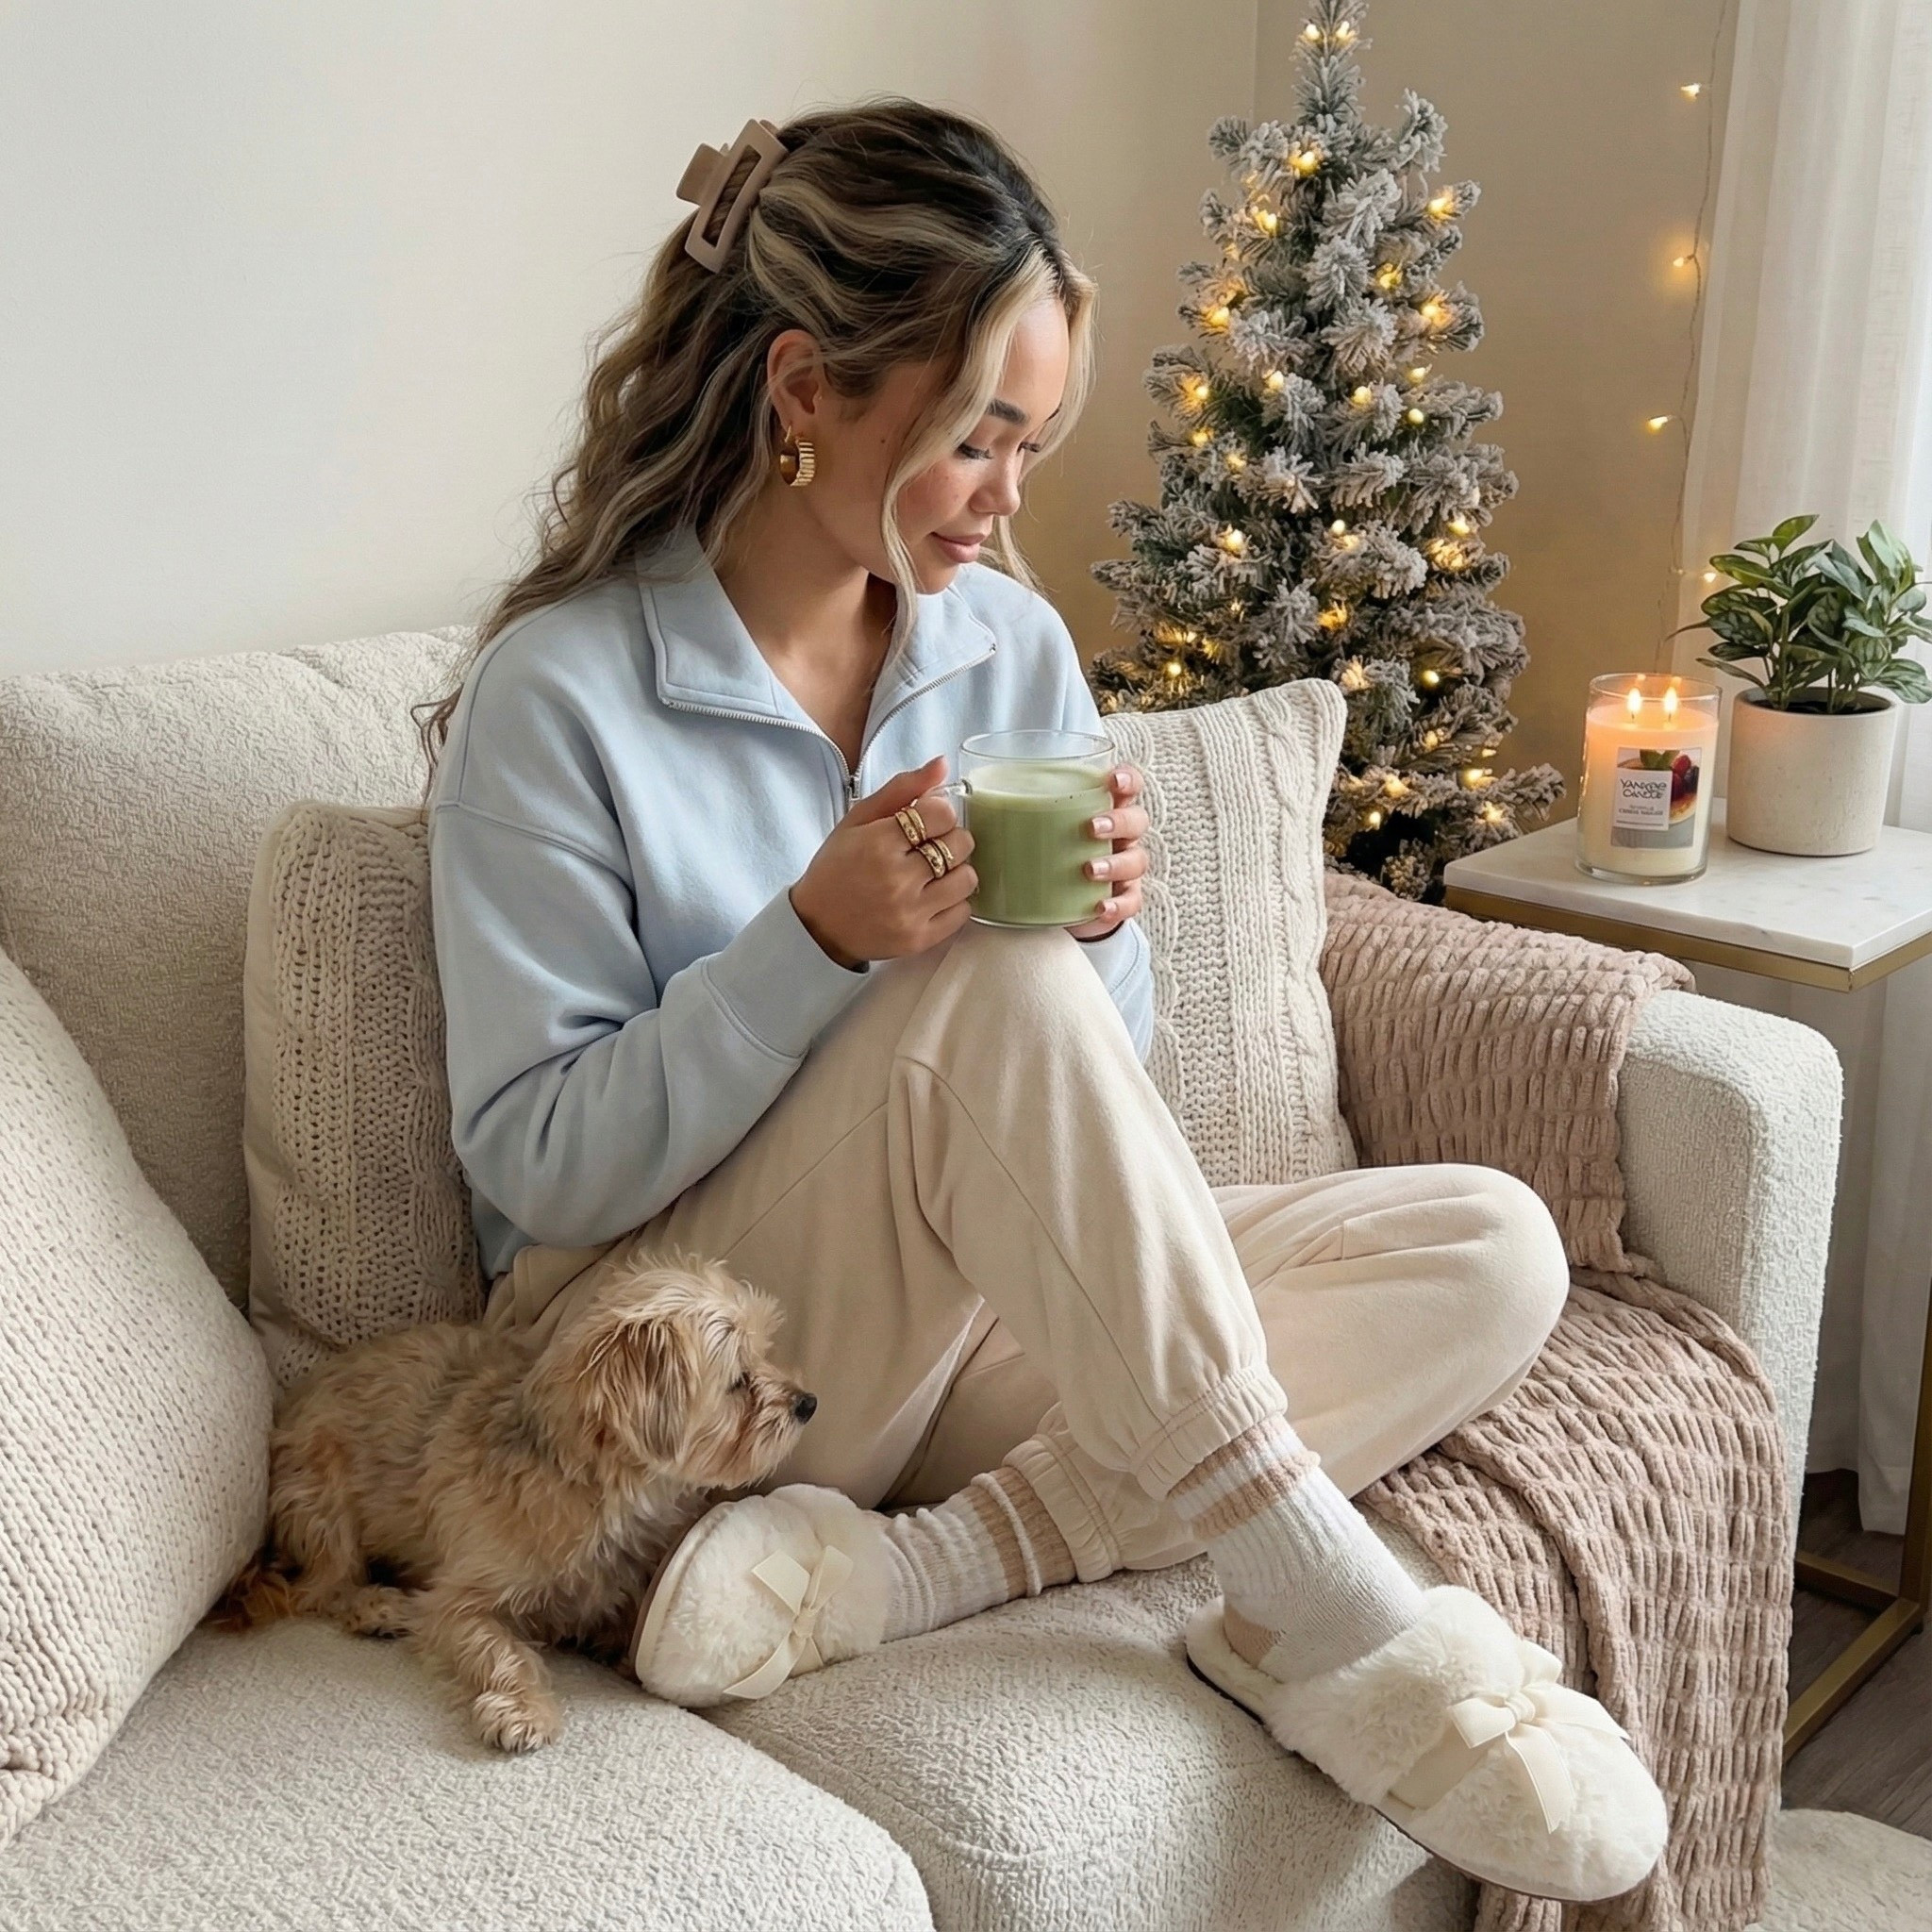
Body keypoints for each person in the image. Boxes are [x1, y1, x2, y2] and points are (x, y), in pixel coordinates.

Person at [419, 100, 1666, 1902]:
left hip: (953, 1338)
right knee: (983, 976)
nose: (1014, 498)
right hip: (669, 1368)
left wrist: (1100, 938)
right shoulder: (564, 693)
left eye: (1036, 440)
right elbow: (536, 1171)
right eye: (979, 438)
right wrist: (813, 945)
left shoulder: (1002, 644)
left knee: (1491, 1248)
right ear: (806, 393)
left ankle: (907, 1572)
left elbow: (1091, 1113)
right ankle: (1325, 1616)